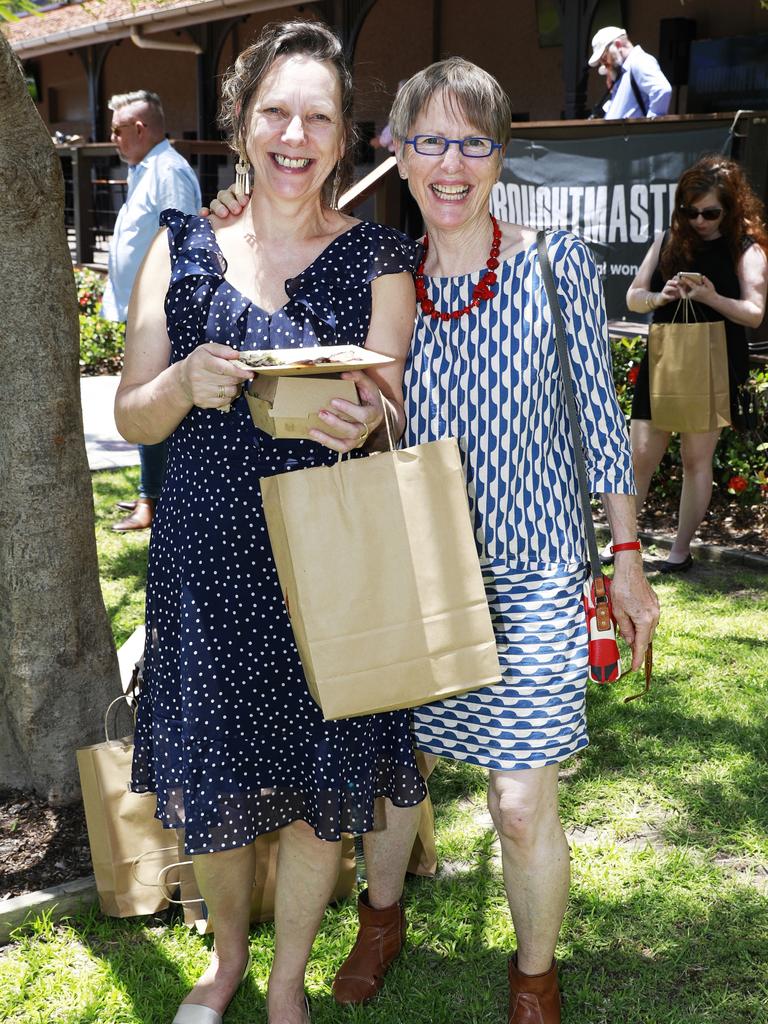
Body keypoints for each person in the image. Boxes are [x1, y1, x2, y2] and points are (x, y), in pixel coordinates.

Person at [210, 56, 660, 1024]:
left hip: (535, 571)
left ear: (500, 154)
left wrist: (625, 557)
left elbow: (598, 414)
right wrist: (339, 414)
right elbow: (363, 405)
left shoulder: (554, 264)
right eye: (429, 141)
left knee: (518, 801)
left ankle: (533, 976)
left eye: (473, 141)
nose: (450, 163)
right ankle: (382, 914)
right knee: (396, 768)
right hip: (412, 561)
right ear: (398, 154)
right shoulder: (388, 278)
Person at [114, 21, 425, 1024]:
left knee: (315, 776)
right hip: (207, 556)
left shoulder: (378, 254)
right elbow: (129, 410)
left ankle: (287, 982)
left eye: (320, 117)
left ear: (342, 140)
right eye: (277, 112)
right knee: (215, 773)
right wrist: (182, 381)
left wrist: (367, 415)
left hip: (326, 559)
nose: (296, 133)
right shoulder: (184, 247)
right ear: (244, 122)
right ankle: (228, 959)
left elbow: (395, 404)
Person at [620, 155, 768, 573]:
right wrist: (661, 297)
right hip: (665, 353)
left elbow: (753, 313)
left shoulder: (745, 246)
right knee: (640, 454)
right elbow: (633, 297)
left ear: (730, 207)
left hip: (715, 357)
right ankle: (625, 549)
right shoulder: (668, 238)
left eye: (709, 212)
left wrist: (710, 297)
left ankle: (679, 552)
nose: (698, 220)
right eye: (690, 211)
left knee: (694, 460)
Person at [104, 90, 202, 532]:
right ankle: (149, 492)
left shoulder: (170, 172)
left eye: (118, 130)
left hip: (163, 317)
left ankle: (153, 500)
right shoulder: (144, 169)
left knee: (155, 401)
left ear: (140, 129)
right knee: (145, 400)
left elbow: (183, 245)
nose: (113, 138)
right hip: (143, 312)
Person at [588, 26, 671, 120]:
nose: (604, 64)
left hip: (634, 134)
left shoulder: (639, 60)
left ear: (618, 45)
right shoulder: (625, 70)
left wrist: (649, 126)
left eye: (604, 58)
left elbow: (661, 89)